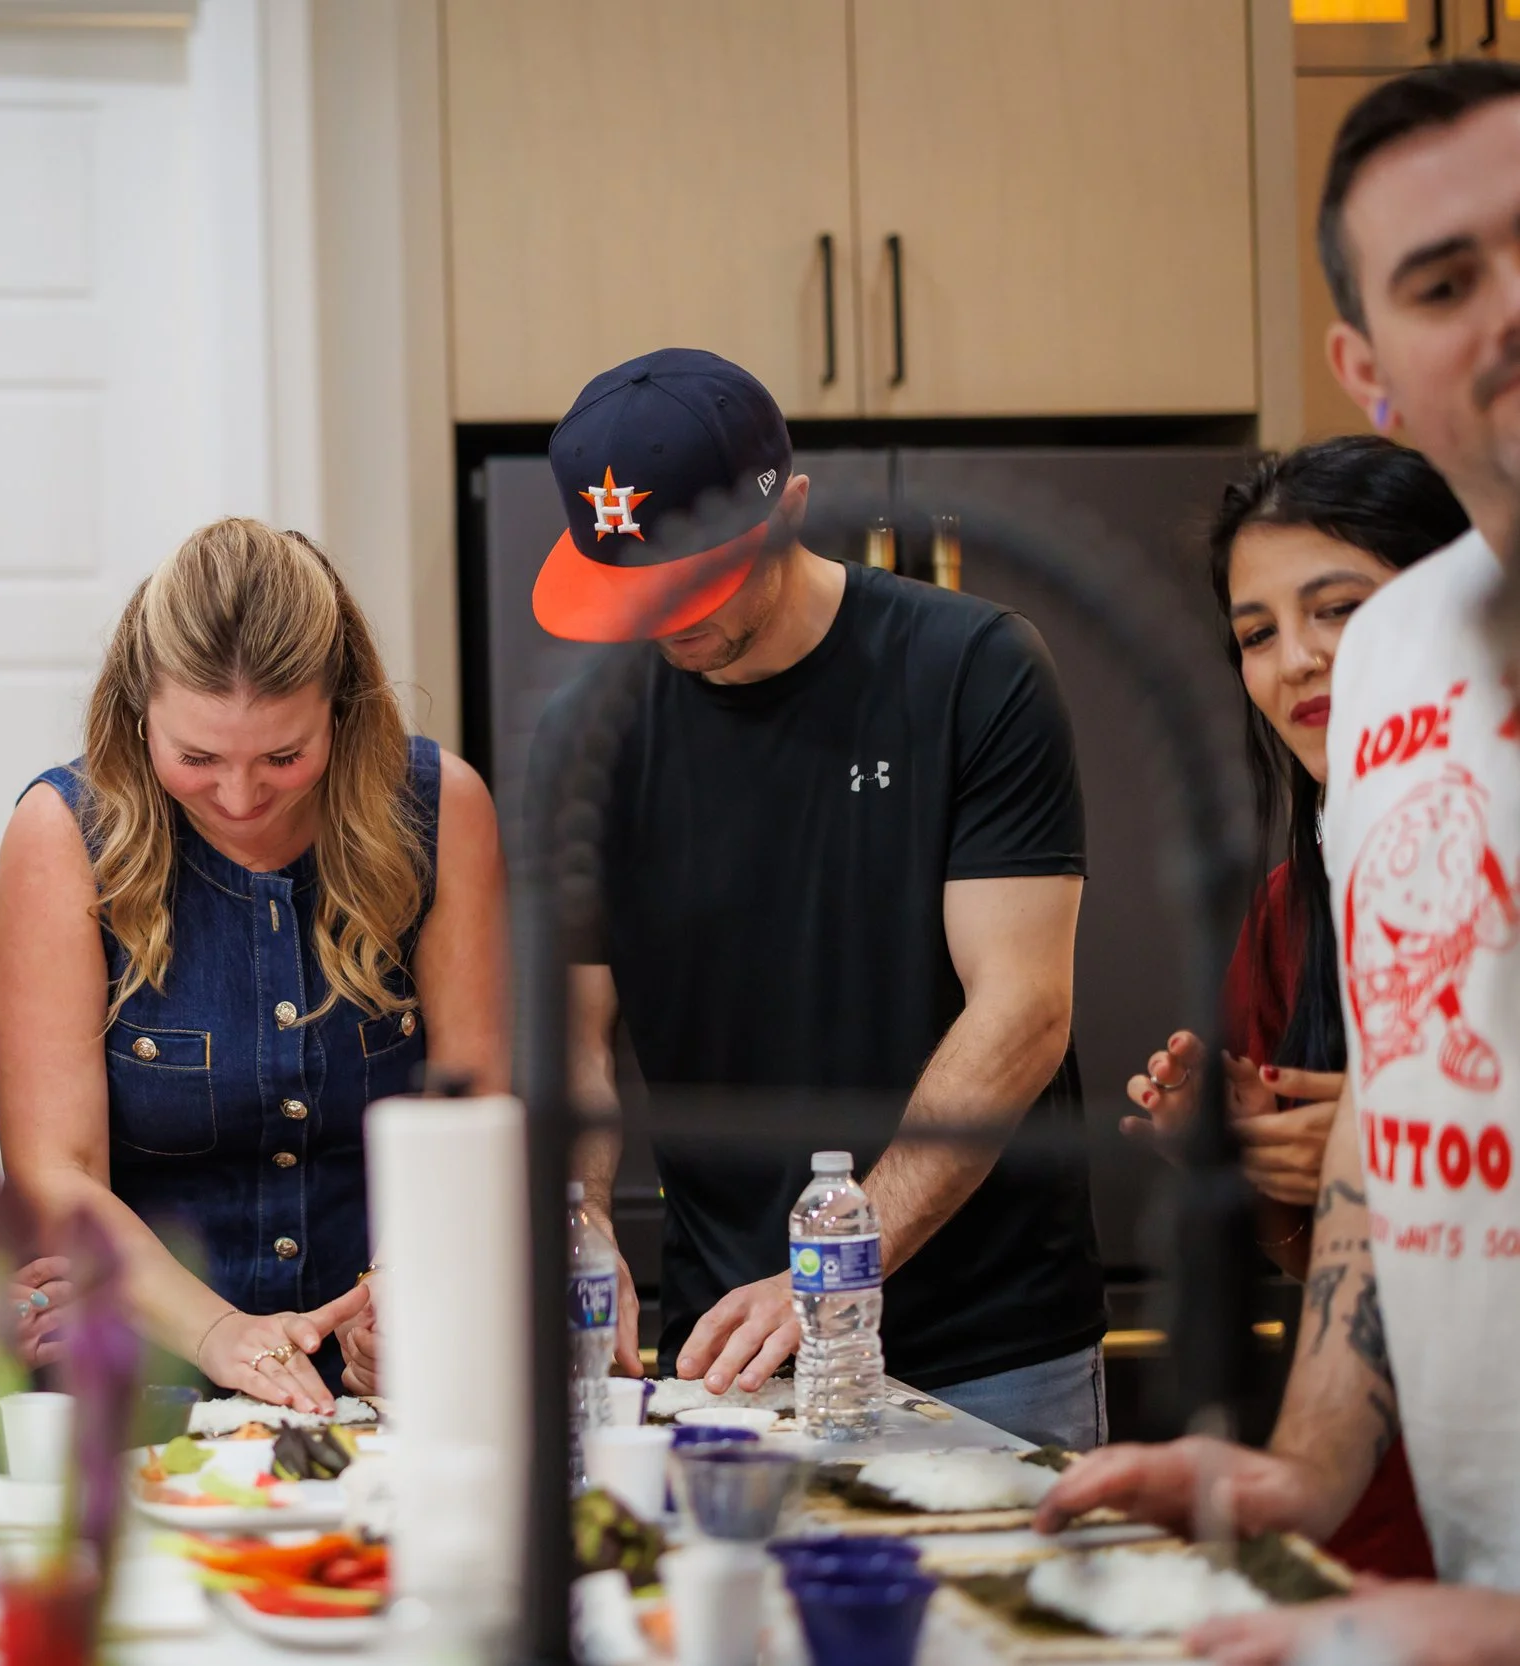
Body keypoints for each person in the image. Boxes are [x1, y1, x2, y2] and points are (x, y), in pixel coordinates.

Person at [1039, 61, 1520, 1665]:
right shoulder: (1400, 670)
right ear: (1370, 363)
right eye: (1447, 278)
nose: (1506, 306)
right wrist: (1308, 1464)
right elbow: (1403, 1119)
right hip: (1455, 1538)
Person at [544, 348, 1108, 1448]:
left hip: (990, 1344)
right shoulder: (596, 734)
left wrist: (834, 1265)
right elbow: (576, 1027)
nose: (666, 621)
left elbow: (1022, 1009)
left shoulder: (972, 670)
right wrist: (582, 1215)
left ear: (790, 507)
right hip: (727, 1347)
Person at [0, 518, 508, 1413]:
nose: (238, 795)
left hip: (389, 1383)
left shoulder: (440, 809)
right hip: (147, 1385)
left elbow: (477, 1121)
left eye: (283, 756)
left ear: (341, 709)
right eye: (196, 757)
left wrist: (406, 1298)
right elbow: (56, 1171)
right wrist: (219, 1333)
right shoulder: (64, 835)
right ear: (135, 710)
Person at [1121, 439, 1465, 1578]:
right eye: (1256, 632)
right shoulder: (1292, 906)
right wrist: (1244, 1157)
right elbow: (1316, 1258)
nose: (1297, 661)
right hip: (1381, 1498)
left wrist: (1410, 1153)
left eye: (1338, 608)